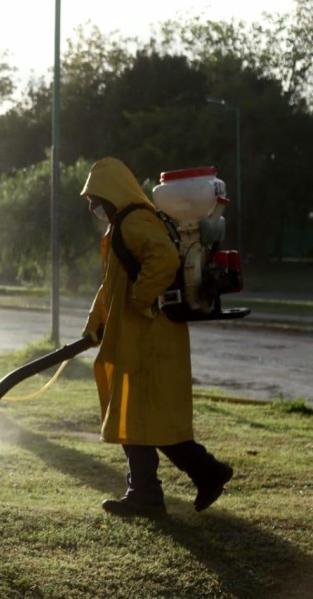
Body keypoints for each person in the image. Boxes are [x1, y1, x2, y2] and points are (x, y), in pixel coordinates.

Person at [79, 157, 234, 518]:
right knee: (142, 419)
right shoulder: (126, 224)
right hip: (140, 338)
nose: (92, 205)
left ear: (112, 193)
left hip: (147, 339)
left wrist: (140, 299)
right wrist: (94, 324)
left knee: (140, 418)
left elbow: (162, 259)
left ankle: (156, 490)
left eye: (95, 197)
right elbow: (111, 287)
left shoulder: (134, 221)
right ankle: (180, 480)